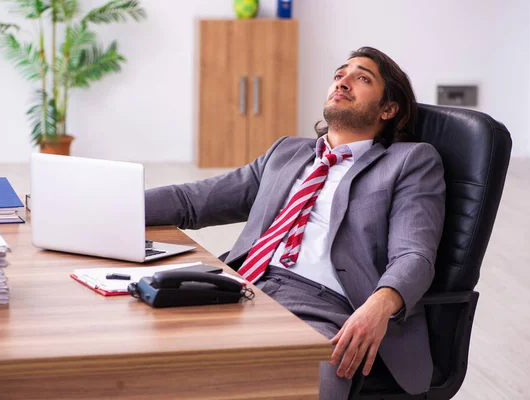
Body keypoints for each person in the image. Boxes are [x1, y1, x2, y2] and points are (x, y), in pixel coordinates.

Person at [145, 46, 445, 399]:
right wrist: (115, 203)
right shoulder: (287, 151)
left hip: (323, 312)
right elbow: (193, 200)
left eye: (362, 78)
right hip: (239, 287)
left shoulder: (409, 161)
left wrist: (379, 305)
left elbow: (414, 254)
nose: (343, 82)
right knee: (136, 363)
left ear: (388, 109)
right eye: (339, 75)